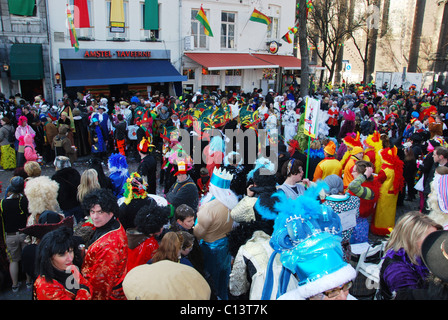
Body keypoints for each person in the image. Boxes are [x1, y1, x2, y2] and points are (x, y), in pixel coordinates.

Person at [194, 167, 238, 300]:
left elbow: (198, 234)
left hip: (210, 249)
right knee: (223, 276)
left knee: (210, 277)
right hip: (225, 246)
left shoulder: (208, 209)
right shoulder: (233, 202)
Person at [378, 211, 442, 300]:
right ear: (411, 240)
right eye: (429, 239)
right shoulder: (397, 270)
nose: (435, 243)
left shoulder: (421, 255)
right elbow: (408, 296)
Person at [81, 188, 128, 300]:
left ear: (111, 212)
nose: (94, 217)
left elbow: (101, 284)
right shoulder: (112, 224)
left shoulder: (108, 246)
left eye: (100, 212)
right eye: (92, 211)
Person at [33, 227, 91, 300]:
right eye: (62, 255)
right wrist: (83, 290)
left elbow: (88, 285)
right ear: (49, 257)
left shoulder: (71, 268)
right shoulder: (45, 286)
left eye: (71, 251)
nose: (70, 258)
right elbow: (87, 287)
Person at [0, 176, 31, 292]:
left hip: (10, 235)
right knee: (26, 258)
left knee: (13, 261)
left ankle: (14, 285)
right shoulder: (24, 201)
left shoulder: (3, 203)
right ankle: (28, 282)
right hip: (24, 234)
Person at [322, 174, 360, 262]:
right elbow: (356, 216)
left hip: (331, 250)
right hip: (346, 245)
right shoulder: (355, 200)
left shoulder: (324, 207)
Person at [371, 146, 405, 235]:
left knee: (382, 211)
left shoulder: (385, 170)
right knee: (390, 211)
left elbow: (379, 180)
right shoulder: (394, 168)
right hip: (393, 194)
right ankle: (389, 226)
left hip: (385, 194)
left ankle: (381, 227)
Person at [126, 202, 169, 272]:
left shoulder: (131, 235)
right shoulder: (151, 244)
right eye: (161, 226)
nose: (163, 228)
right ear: (155, 226)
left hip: (128, 275)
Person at [347, 160, 382, 244]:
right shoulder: (363, 186)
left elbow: (352, 186)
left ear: (361, 174)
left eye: (354, 171)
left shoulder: (368, 189)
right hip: (354, 223)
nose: (352, 173)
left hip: (358, 226)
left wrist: (365, 175)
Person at [51, 156, 82, 223]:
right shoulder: (75, 172)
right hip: (77, 202)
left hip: (65, 205)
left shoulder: (55, 177)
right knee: (81, 223)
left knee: (67, 225)